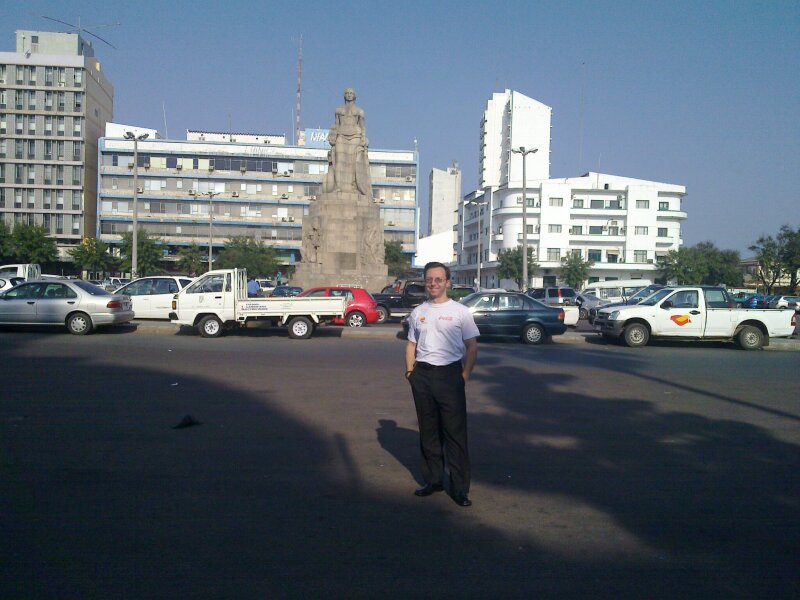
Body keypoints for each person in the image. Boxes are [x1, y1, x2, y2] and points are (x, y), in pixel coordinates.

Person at [404, 261, 479, 507]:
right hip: (422, 376)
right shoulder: (419, 312)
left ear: (447, 282)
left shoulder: (460, 311)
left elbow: (471, 346)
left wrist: (464, 376)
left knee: (455, 433)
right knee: (428, 430)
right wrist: (410, 372)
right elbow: (411, 344)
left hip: (450, 375)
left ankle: (459, 489)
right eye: (429, 279)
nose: (433, 284)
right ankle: (433, 480)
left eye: (438, 279)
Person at [325, 88, 372, 197]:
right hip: (341, 135)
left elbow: (362, 126)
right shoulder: (338, 110)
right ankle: (338, 187)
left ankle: (353, 187)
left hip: (355, 136)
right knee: (339, 161)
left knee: (353, 162)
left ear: (354, 96)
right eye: (347, 93)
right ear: (344, 95)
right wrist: (332, 136)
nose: (349, 95)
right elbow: (336, 124)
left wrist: (363, 139)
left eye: (351, 93)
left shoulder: (359, 111)